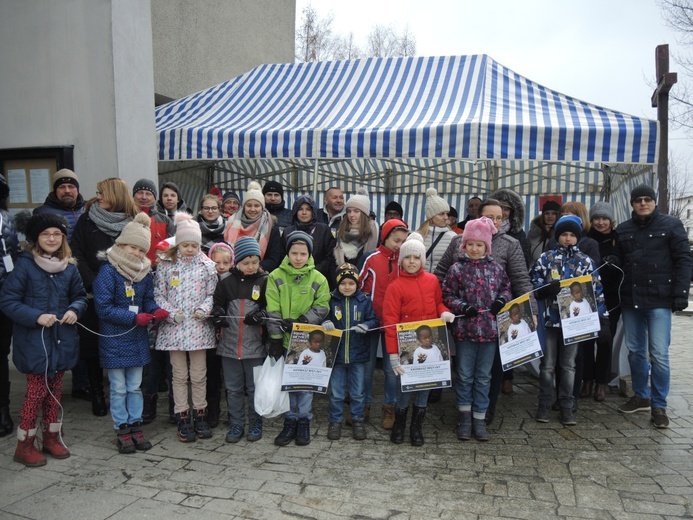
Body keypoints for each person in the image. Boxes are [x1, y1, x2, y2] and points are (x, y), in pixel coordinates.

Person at [435, 198, 535, 423]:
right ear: (479, 217)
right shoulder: (460, 241)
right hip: (464, 320)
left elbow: (519, 279)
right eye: (491, 217)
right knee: (464, 369)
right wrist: (437, 306)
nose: (496, 221)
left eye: (500, 217)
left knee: (490, 370)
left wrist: (533, 310)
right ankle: (464, 413)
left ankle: (485, 412)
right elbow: (441, 275)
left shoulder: (510, 243)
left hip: (494, 321)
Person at [0, 212, 87, 467]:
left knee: (55, 393)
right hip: (35, 343)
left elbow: (80, 296)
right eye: (46, 234)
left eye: (56, 234)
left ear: (63, 237)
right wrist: (36, 316)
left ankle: (52, 437)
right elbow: (8, 301)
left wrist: (74, 310)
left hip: (61, 341)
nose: (52, 238)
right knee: (35, 394)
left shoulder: (69, 267)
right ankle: (24, 445)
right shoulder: (25, 266)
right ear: (37, 238)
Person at [610, 184, 692, 428]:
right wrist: (613, 259)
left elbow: (684, 260)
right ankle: (641, 396)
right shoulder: (623, 229)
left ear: (654, 202)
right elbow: (620, 259)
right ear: (632, 203)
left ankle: (659, 405)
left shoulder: (671, 225)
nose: (643, 203)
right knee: (635, 351)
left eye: (647, 199)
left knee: (659, 355)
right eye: (638, 200)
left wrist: (680, 293)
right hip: (631, 299)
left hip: (659, 299)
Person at [92, 213, 168, 453]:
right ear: (120, 244)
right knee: (118, 387)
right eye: (131, 247)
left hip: (136, 339)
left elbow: (147, 300)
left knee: (135, 386)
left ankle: (136, 424)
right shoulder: (108, 270)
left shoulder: (144, 273)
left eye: (140, 249)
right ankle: (121, 427)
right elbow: (103, 308)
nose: (135, 253)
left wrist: (156, 311)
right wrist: (133, 317)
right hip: (115, 338)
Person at [71, 178, 139, 417]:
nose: (98, 196)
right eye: (98, 192)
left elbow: (138, 255)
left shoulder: (132, 223)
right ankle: (97, 392)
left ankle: (122, 392)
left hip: (122, 293)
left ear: (116, 194)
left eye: (102, 193)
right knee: (91, 343)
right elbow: (75, 250)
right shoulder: (87, 219)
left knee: (118, 341)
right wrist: (93, 280)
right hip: (91, 291)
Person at [531, 215, 606, 426]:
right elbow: (533, 281)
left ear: (578, 238)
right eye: (564, 234)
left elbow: (596, 290)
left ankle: (567, 404)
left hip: (574, 322)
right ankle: (544, 403)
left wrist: (601, 316)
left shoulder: (585, 261)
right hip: (550, 321)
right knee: (547, 365)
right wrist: (545, 289)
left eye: (572, 235)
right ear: (558, 236)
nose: (568, 238)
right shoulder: (546, 258)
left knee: (569, 365)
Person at [442, 216, 512, 442]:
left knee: (483, 376)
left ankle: (479, 418)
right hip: (465, 331)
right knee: (464, 375)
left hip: (490, 331)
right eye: (470, 244)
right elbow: (448, 294)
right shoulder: (456, 269)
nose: (474, 248)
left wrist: (501, 301)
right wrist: (463, 307)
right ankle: (464, 416)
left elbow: (506, 289)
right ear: (464, 244)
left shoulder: (497, 268)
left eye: (479, 245)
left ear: (486, 246)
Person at [382, 233, 455, 446]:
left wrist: (444, 312)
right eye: (407, 257)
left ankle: (416, 427)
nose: (412, 262)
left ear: (422, 260)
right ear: (401, 260)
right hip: (406, 348)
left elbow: (438, 303)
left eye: (416, 257)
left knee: (424, 388)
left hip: (429, 345)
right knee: (405, 389)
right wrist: (393, 354)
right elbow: (389, 322)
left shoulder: (432, 281)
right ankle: (399, 425)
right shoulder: (395, 286)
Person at [154, 213, 218, 442]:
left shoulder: (207, 266)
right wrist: (170, 313)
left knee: (199, 374)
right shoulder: (166, 265)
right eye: (185, 245)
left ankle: (201, 413)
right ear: (177, 243)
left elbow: (212, 293)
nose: (190, 249)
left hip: (199, 328)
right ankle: (182, 414)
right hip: (175, 329)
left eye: (194, 245)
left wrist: (204, 308)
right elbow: (159, 293)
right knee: (179, 374)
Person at [266, 231, 330, 447]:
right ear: (288, 252)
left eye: (303, 253)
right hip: (284, 342)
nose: (298, 257)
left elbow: (322, 306)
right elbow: (273, 309)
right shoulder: (275, 276)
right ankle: (289, 420)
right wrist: (275, 338)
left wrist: (302, 321)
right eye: (294, 253)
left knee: (305, 385)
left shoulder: (318, 278)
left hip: (306, 342)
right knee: (288, 385)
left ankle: (304, 420)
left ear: (309, 254)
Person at [33, 169, 90, 401]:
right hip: (53, 277)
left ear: (77, 189)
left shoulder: (87, 210)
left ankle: (82, 382)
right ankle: (49, 381)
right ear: (55, 190)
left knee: (80, 330)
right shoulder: (42, 213)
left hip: (79, 276)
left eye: (71, 186)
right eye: (62, 187)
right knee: (55, 331)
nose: (67, 191)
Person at [211, 236, 268, 443]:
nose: (251, 266)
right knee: (233, 388)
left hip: (255, 346)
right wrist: (218, 315)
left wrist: (262, 315)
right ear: (237, 262)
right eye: (246, 262)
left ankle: (255, 421)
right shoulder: (226, 281)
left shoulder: (264, 281)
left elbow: (269, 308)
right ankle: (236, 423)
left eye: (255, 262)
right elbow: (217, 304)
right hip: (229, 345)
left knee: (254, 388)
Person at [359, 218, 409, 428]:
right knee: (367, 366)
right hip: (371, 320)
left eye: (402, 241)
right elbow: (359, 285)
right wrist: (362, 312)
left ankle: (390, 406)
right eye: (395, 240)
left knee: (392, 369)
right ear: (385, 237)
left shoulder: (405, 260)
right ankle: (363, 405)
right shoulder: (372, 258)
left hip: (395, 323)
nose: (398, 245)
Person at [322, 263, 378, 441]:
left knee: (357, 392)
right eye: (343, 283)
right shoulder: (331, 300)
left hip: (358, 355)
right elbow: (323, 317)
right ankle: (335, 421)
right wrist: (325, 323)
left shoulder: (364, 300)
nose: (347, 287)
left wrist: (367, 326)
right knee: (337, 392)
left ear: (357, 284)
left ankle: (357, 420)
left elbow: (374, 320)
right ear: (337, 283)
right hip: (337, 355)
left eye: (351, 283)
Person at [586, 201, 622, 401]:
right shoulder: (586, 239)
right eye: (596, 219)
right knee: (587, 341)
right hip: (587, 298)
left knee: (605, 340)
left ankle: (602, 382)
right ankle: (587, 380)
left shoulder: (619, 239)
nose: (600, 222)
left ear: (611, 220)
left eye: (604, 218)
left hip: (611, 298)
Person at [224, 181, 283, 273]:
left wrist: (253, 268)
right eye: (249, 205)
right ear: (244, 207)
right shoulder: (231, 223)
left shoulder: (271, 228)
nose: (252, 209)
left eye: (257, 206)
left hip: (259, 275)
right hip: (234, 273)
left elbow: (273, 258)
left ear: (262, 207)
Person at [0, 175, 19, 438]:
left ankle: (3, 408)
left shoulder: (7, 220)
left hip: (3, 294)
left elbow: (12, 255)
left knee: (1, 353)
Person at [281, 195, 336, 284]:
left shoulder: (323, 229)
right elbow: (283, 256)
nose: (304, 212)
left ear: (313, 211)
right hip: (292, 278)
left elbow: (329, 257)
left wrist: (312, 270)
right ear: (295, 211)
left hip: (318, 278)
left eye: (308, 209)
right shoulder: (288, 231)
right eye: (300, 209)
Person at [132, 178, 175, 264]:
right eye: (140, 193)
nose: (144, 197)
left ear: (154, 197)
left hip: (157, 270)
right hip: (131, 269)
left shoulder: (165, 221)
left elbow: (173, 247)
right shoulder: (127, 218)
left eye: (148, 194)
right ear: (133, 195)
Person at [334, 187, 378, 267]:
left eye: (356, 211)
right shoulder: (342, 229)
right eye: (349, 211)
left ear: (364, 213)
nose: (351, 215)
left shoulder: (372, 230)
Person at [489, 188, 530, 267]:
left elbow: (524, 261)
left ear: (512, 212)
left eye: (506, 209)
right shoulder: (484, 230)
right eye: (500, 207)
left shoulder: (519, 234)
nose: (502, 212)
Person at [418, 188, 453, 274]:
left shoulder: (453, 237)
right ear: (431, 216)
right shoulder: (417, 236)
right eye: (441, 214)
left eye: (446, 213)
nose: (446, 217)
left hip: (442, 284)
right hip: (421, 282)